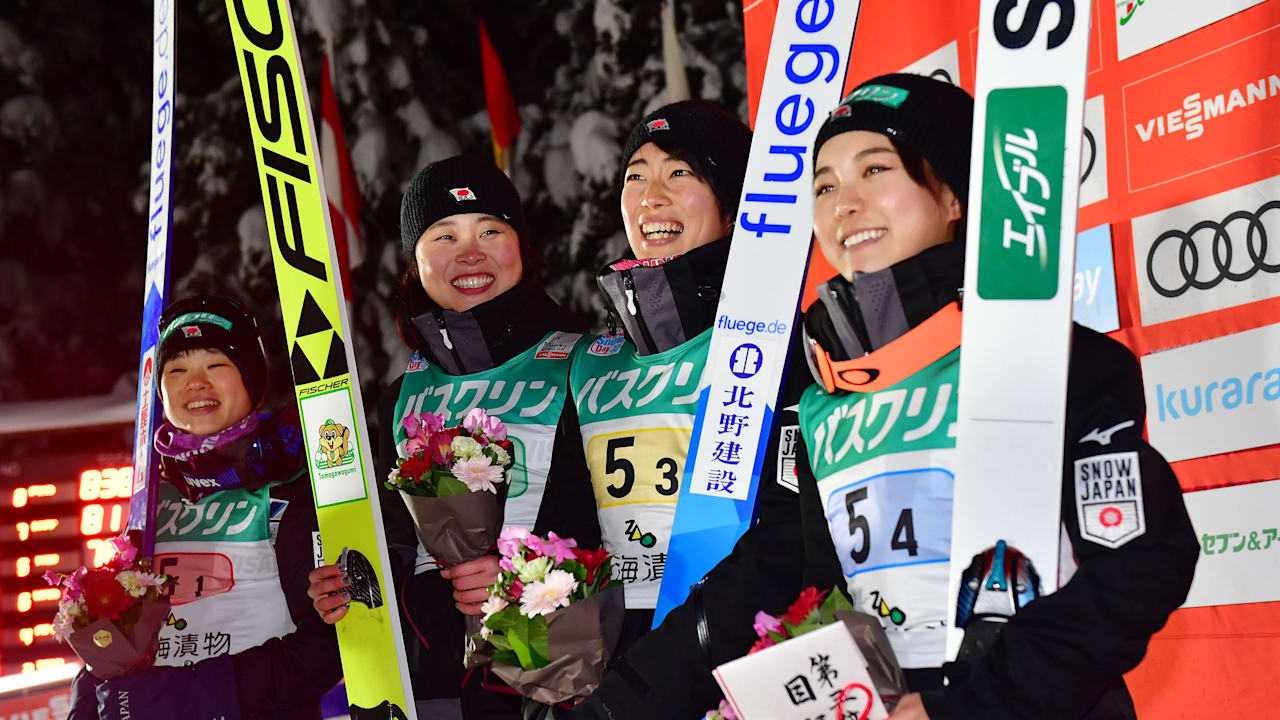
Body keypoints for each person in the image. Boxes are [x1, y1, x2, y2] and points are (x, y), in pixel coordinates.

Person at [795, 74, 1197, 718]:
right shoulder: (821, 403)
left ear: (953, 195)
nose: (844, 203)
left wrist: (978, 705)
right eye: (824, 185)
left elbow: (1141, 560)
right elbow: (821, 602)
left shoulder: (1057, 360)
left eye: (875, 169)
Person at [537, 100, 811, 715]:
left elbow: (787, 540)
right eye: (635, 175)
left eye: (680, 172)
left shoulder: (778, 341)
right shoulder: (597, 360)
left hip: (738, 674)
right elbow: (565, 533)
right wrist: (546, 666)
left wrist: (645, 686)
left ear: (734, 198)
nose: (650, 196)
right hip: (616, 683)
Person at [305, 156, 597, 720]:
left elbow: (626, 533)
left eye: (491, 230)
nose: (470, 253)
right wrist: (347, 584)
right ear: (415, 262)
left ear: (522, 246)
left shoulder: (586, 364)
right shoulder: (402, 394)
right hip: (428, 685)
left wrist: (528, 578)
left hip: (555, 681)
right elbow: (388, 538)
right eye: (445, 235)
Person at [69, 295, 343, 720]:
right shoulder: (151, 497)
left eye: (216, 366)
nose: (195, 383)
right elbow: (116, 641)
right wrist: (88, 704)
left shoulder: (295, 485)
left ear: (250, 378)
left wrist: (187, 698)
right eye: (176, 370)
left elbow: (327, 648)